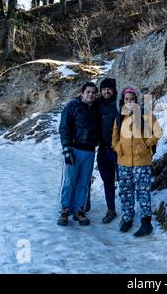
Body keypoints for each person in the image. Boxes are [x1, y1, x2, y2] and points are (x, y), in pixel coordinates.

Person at [112, 87, 163, 237]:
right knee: (126, 191)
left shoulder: (146, 114)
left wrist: (146, 144)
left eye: (132, 99)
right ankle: (127, 217)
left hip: (142, 161)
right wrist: (117, 148)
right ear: (123, 100)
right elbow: (114, 136)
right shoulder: (119, 117)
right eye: (126, 99)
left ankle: (146, 223)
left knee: (143, 191)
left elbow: (158, 132)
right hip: (123, 162)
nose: (129, 102)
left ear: (136, 100)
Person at [57, 82, 100, 226]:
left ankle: (79, 210)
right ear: (82, 93)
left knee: (83, 183)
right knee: (69, 181)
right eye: (88, 92)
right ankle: (64, 210)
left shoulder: (96, 109)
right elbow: (64, 128)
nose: (91, 94)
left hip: (89, 152)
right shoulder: (72, 107)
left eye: (94, 92)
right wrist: (67, 149)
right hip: (74, 150)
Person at [94, 77, 119, 223]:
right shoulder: (97, 105)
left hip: (119, 150)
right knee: (107, 181)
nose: (106, 91)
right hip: (103, 150)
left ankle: (130, 210)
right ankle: (111, 209)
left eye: (109, 89)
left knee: (124, 180)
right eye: (103, 89)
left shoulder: (119, 103)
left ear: (114, 89)